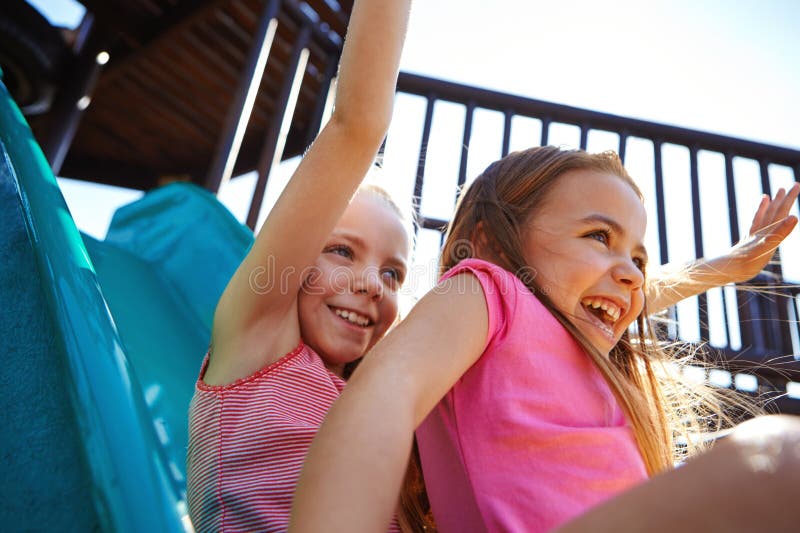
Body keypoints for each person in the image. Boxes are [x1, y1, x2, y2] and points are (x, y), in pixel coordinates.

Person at [290, 146, 800, 533]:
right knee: (779, 457)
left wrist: (726, 267)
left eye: (638, 260)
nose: (632, 275)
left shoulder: (580, 337)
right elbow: (386, 393)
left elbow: (639, 291)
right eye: (599, 237)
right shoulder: (490, 292)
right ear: (491, 242)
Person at [185, 0, 414, 531]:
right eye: (342, 251)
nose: (372, 284)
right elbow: (357, 125)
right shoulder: (256, 346)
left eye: (393, 273)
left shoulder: (378, 408)